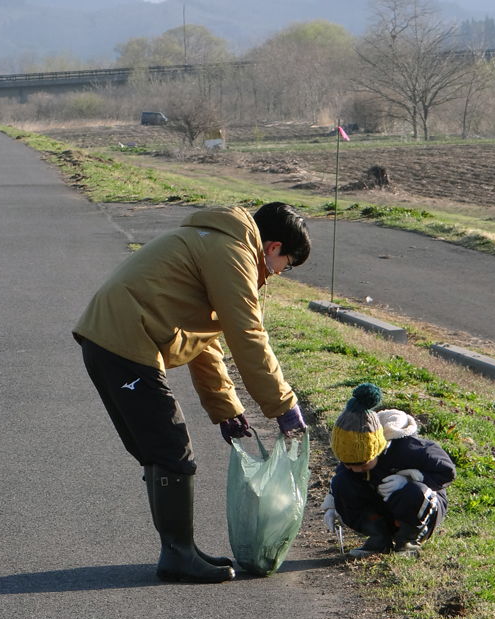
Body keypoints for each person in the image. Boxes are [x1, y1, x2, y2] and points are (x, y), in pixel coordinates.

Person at [73, 202, 311, 583]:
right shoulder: (233, 253)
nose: (282, 272)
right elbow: (248, 334)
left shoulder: (217, 242)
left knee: (160, 447)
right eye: (289, 263)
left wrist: (226, 407)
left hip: (113, 337)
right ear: (273, 247)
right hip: (123, 340)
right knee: (170, 445)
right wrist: (284, 406)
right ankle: (178, 555)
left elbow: (207, 339)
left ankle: (180, 548)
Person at [321, 383, 456, 558]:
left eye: (363, 464)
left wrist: (411, 478)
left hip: (419, 511)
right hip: (384, 508)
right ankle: (379, 538)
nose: (356, 469)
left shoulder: (410, 448)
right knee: (342, 482)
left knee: (415, 492)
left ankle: (407, 541)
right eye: (349, 464)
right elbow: (341, 477)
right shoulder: (352, 457)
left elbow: (448, 472)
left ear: (377, 449)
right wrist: (333, 505)